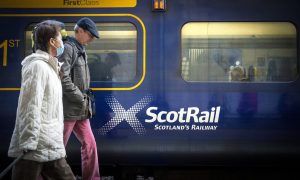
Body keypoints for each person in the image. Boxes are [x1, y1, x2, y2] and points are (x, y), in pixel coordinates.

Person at [8, 20, 75, 180]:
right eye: (60, 38)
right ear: (52, 41)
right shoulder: (37, 67)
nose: (62, 43)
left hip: (49, 143)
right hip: (35, 145)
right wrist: (28, 143)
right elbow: (29, 106)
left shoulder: (50, 67)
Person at [58, 17, 100, 180]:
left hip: (81, 110)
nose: (91, 40)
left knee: (90, 145)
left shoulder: (80, 49)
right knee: (57, 149)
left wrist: (83, 101)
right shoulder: (69, 48)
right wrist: (79, 98)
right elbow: (63, 77)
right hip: (69, 109)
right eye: (89, 36)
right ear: (80, 31)